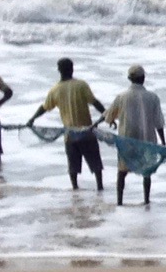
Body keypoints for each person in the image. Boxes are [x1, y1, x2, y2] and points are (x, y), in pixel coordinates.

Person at [26, 58, 107, 191]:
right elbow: (94, 102)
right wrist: (107, 115)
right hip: (87, 132)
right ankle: (100, 187)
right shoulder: (81, 85)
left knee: (73, 165)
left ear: (59, 70)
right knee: (95, 164)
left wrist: (32, 119)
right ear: (72, 69)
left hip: (70, 134)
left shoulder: (55, 90)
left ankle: (75, 188)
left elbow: (44, 107)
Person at [103, 65, 166, 206]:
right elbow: (159, 123)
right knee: (147, 172)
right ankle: (146, 200)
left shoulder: (121, 97)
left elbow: (108, 116)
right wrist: (163, 142)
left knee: (122, 171)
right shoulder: (153, 97)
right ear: (143, 78)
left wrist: (109, 120)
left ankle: (120, 202)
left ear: (129, 79)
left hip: (127, 140)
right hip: (147, 140)